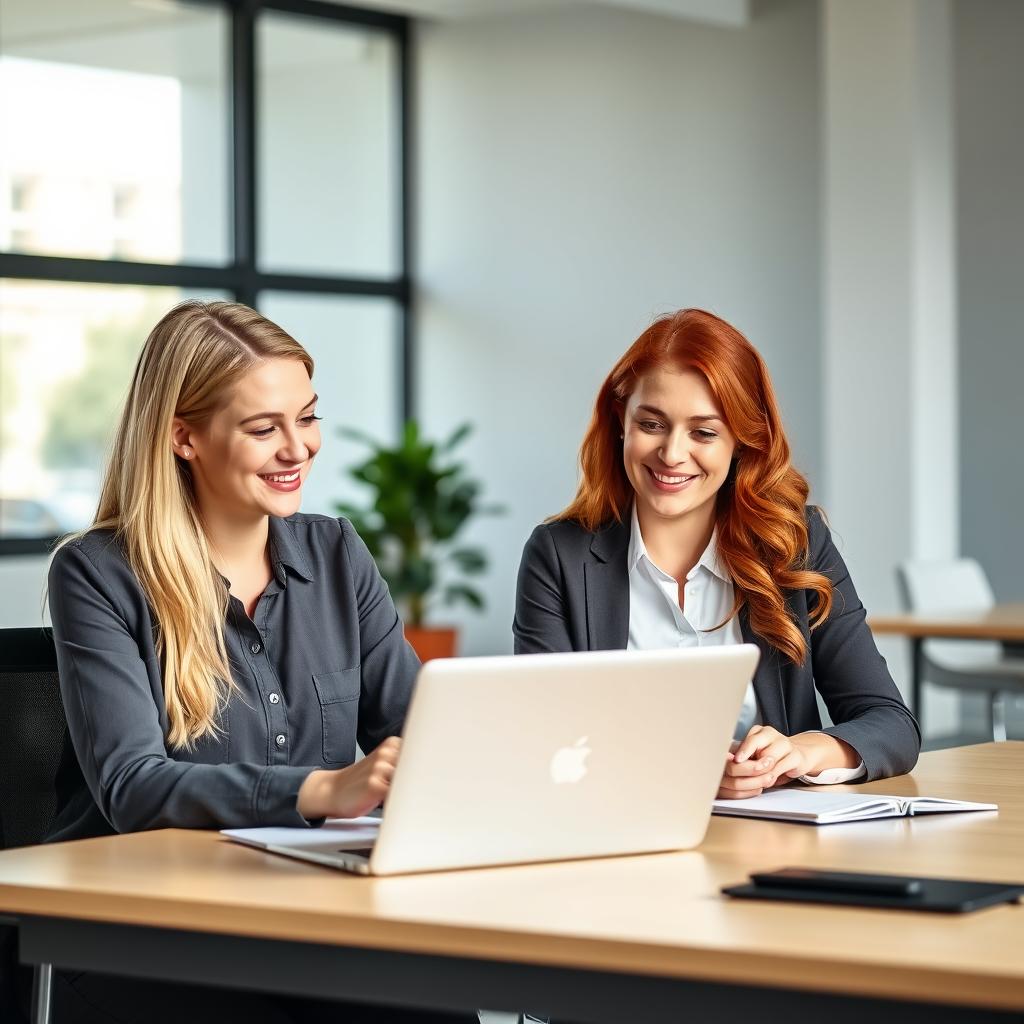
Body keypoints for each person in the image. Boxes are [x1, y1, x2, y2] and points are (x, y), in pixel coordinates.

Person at [43, 301, 475, 1024]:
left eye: (307, 418)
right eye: (262, 427)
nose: (298, 449)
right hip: (152, 930)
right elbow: (132, 786)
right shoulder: (97, 574)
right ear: (184, 437)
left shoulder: (336, 553)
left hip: (310, 911)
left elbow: (423, 726)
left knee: (436, 1001)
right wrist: (323, 790)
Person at [514, 308, 920, 797]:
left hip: (777, 848)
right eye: (652, 424)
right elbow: (545, 743)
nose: (671, 454)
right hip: (624, 843)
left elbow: (891, 724)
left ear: (741, 442)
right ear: (621, 421)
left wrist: (798, 753)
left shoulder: (795, 543)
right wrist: (691, 773)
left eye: (703, 432)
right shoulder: (559, 555)